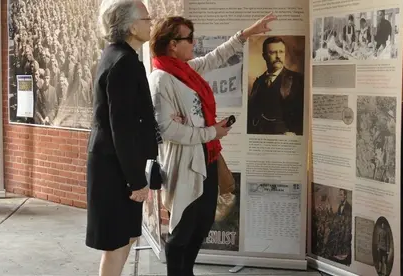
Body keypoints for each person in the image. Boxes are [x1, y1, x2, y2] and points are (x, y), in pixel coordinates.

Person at [148, 13, 276, 275]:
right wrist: (210, 132)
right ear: (173, 44)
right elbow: (169, 129)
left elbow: (215, 57)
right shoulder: (161, 79)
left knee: (203, 223)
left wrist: (246, 34)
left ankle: (187, 271)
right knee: (182, 228)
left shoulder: (185, 71)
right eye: (189, 39)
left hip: (206, 158)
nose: (194, 43)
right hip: (184, 164)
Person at [85, 1, 158, 276]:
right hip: (114, 167)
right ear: (131, 26)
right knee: (116, 242)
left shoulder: (118, 55)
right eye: (146, 18)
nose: (151, 22)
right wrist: (136, 181)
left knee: (126, 237)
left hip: (115, 163)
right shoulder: (124, 62)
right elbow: (122, 127)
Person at [247, 36, 305, 135]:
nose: (278, 56)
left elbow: (303, 114)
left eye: (281, 52)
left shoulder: (297, 79)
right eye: (273, 52)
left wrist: (295, 133)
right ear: (264, 56)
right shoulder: (258, 82)